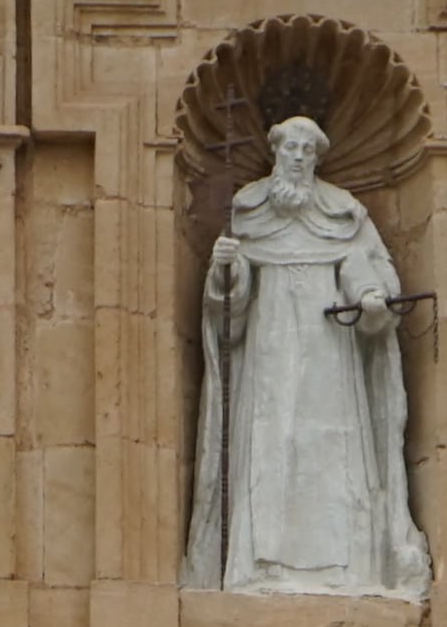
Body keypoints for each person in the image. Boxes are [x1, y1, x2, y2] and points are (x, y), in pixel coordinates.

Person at [182, 114, 430, 599]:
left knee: (331, 455)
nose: (297, 158)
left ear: (317, 159)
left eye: (306, 151)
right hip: (268, 359)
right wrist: (227, 272)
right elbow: (229, 312)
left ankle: (345, 569)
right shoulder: (247, 211)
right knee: (269, 454)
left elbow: (366, 270)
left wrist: (371, 297)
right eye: (290, 149)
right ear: (275, 153)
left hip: (330, 361)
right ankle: (263, 567)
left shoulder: (344, 214)